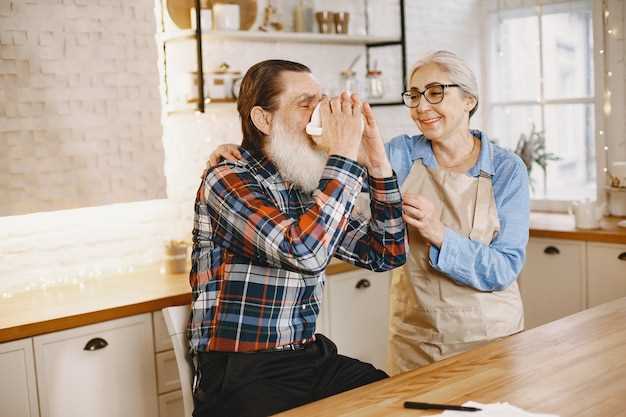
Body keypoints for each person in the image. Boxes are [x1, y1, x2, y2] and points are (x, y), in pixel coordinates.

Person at [207, 50, 530, 375]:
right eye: (414, 95)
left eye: (435, 92)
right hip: (419, 337)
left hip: (489, 334)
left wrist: (440, 234)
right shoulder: (400, 153)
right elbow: (327, 190)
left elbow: (502, 267)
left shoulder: (505, 169)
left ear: (469, 100)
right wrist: (238, 151)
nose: (421, 106)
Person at [188, 59, 406, 417]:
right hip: (242, 370)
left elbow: (386, 254)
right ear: (264, 119)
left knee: (393, 399)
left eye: (321, 101)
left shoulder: (306, 179)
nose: (320, 112)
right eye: (306, 104)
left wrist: (375, 162)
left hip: (307, 355)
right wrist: (344, 156)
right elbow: (304, 252)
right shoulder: (226, 179)